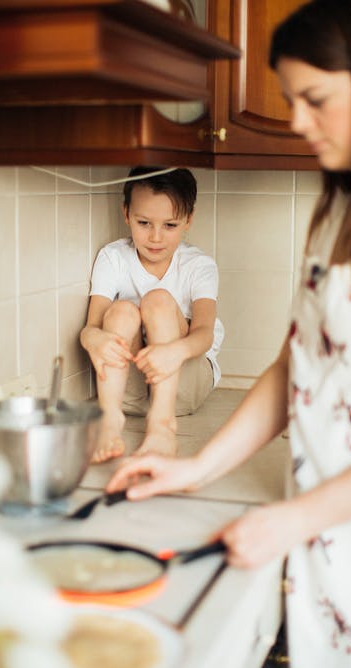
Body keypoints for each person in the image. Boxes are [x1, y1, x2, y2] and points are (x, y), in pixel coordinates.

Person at [106, 1, 351, 668]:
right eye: (289, 100)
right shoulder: (341, 208)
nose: (297, 121)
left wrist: (290, 519)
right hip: (329, 537)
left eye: (314, 99)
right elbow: (299, 362)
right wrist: (195, 465)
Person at [80, 166, 224, 463]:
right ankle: (109, 418)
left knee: (157, 301)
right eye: (144, 222)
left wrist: (175, 351)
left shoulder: (199, 265)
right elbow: (91, 327)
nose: (156, 237)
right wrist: (93, 339)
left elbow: (204, 333)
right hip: (129, 393)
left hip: (183, 385)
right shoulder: (113, 257)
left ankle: (162, 424)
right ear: (126, 213)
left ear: (188, 220)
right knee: (120, 311)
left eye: (170, 225)